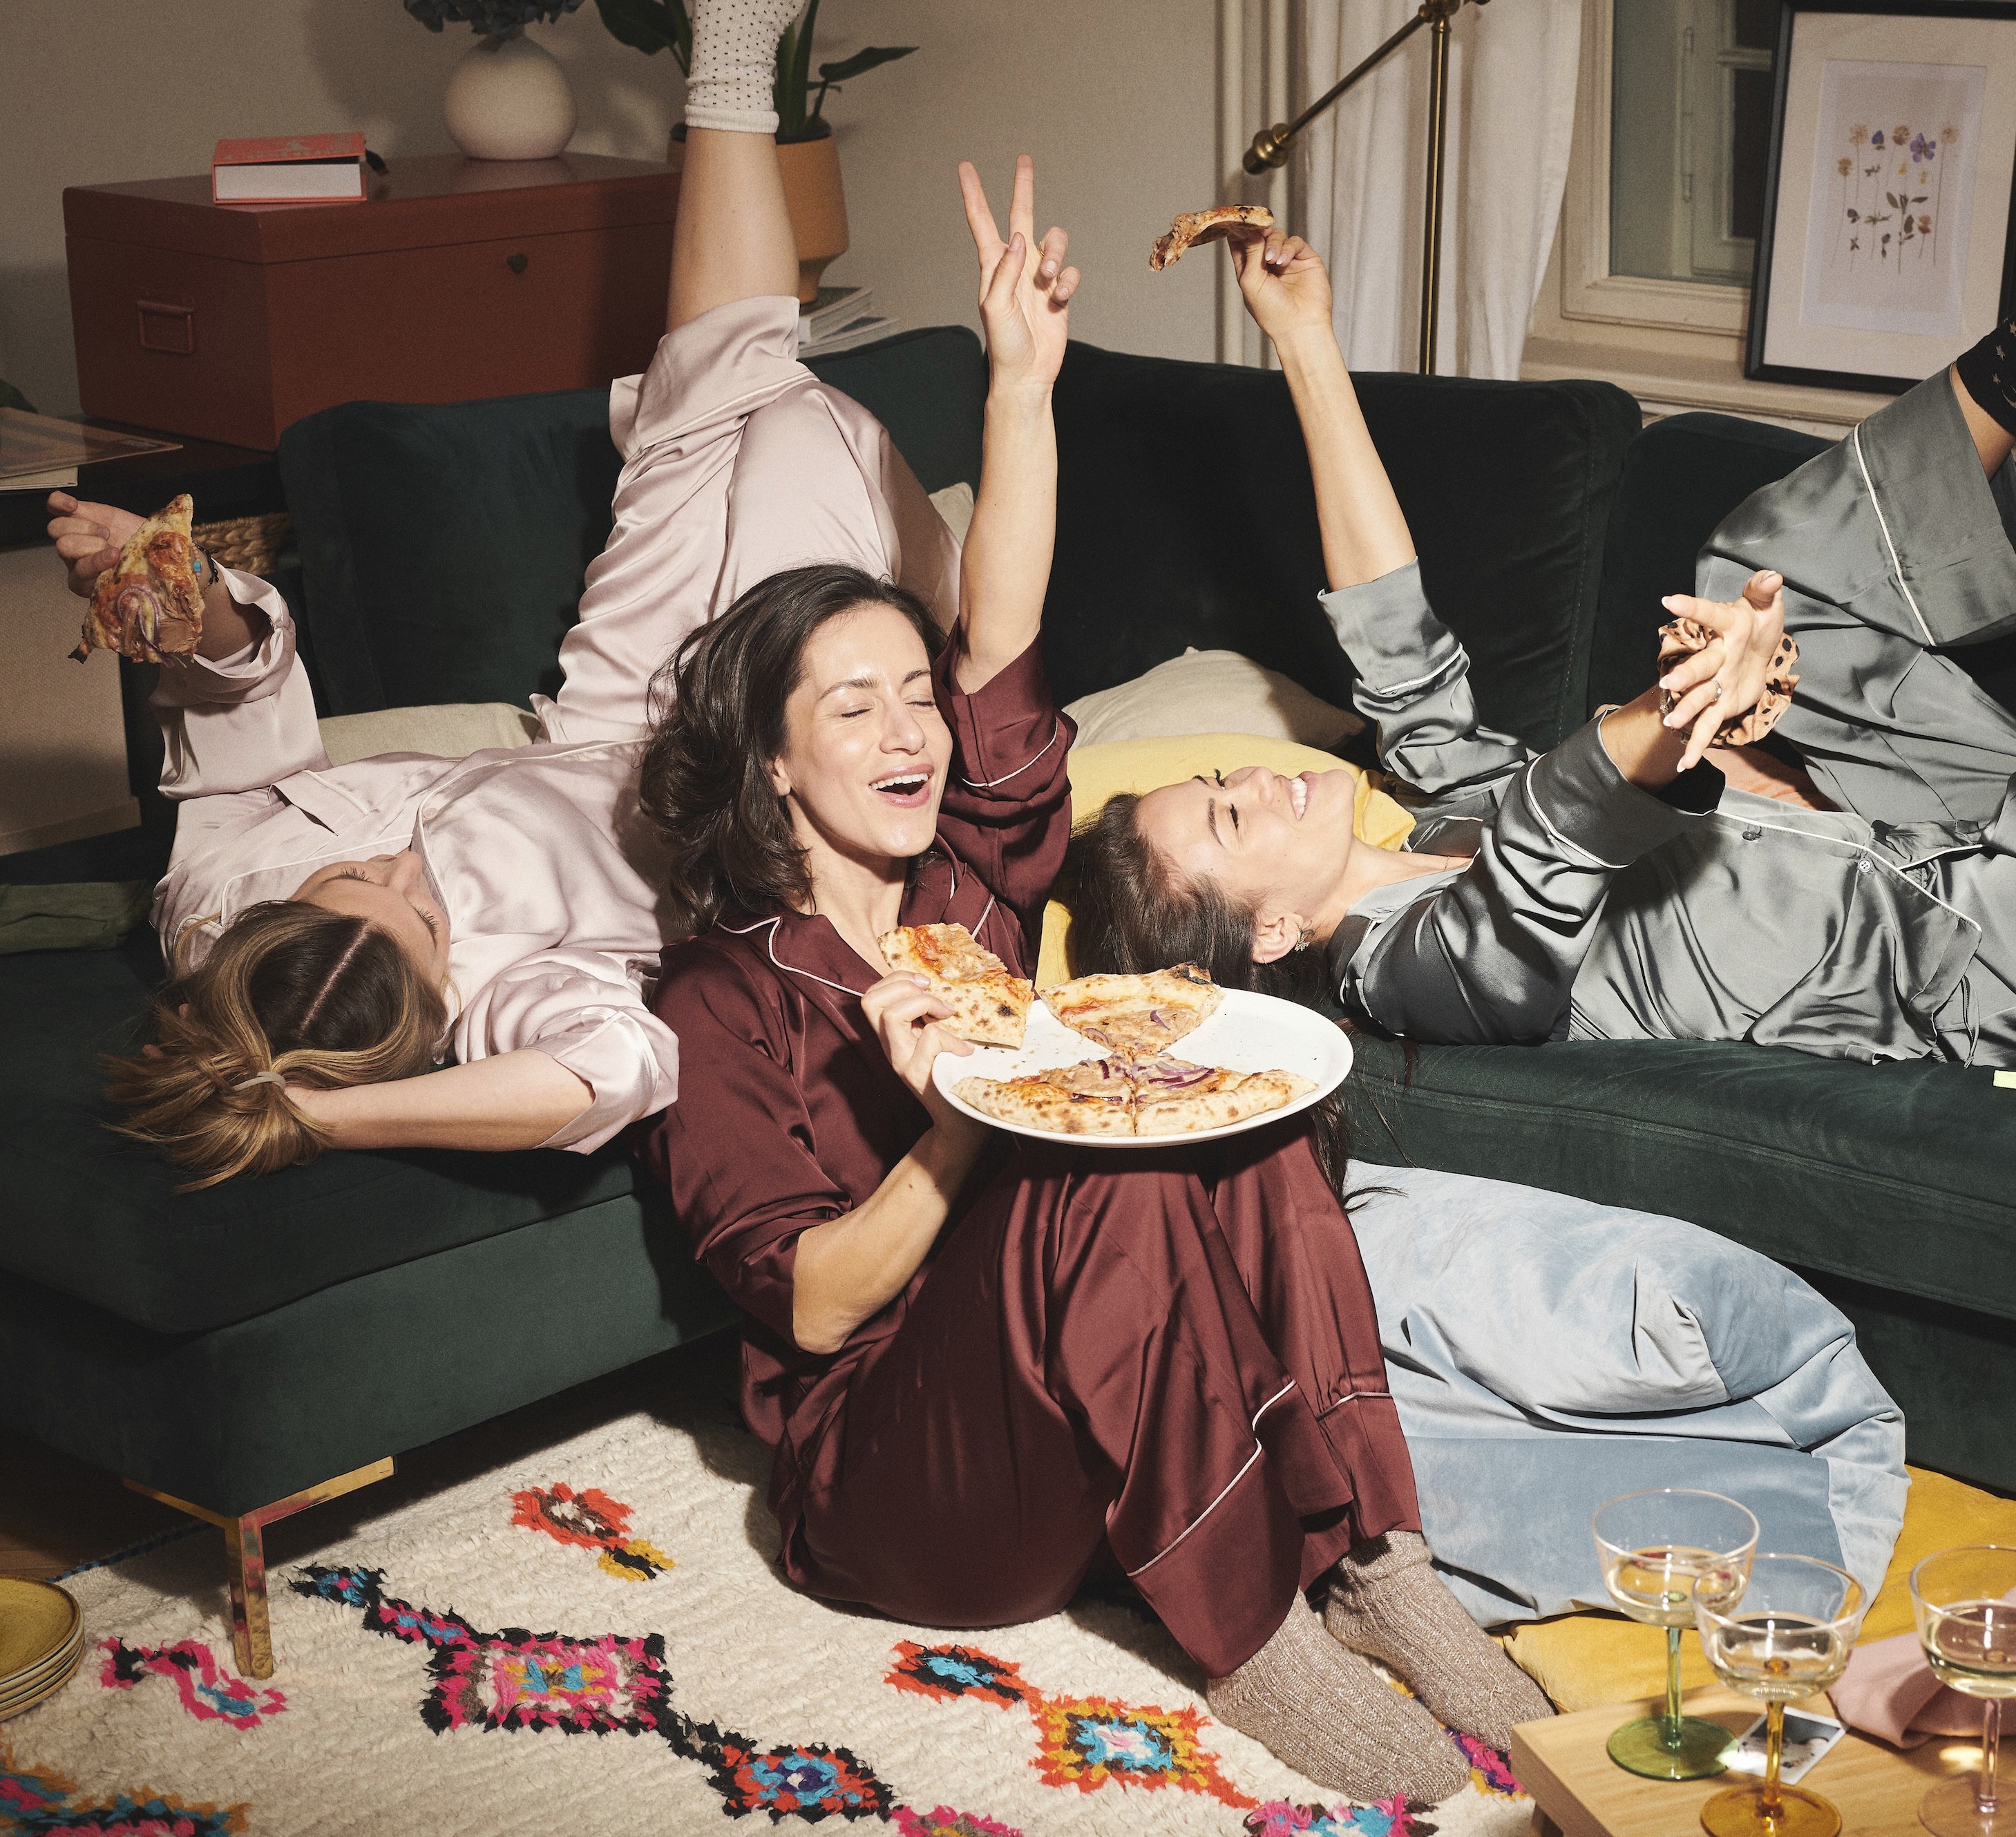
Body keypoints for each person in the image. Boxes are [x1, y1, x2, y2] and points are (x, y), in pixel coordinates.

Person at [634, 34, 1907, 1800]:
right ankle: (1247, 1641)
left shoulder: (963, 885)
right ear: (771, 771)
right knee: (1089, 1158)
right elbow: (822, 1315)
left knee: (1242, 1094)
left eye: (907, 696)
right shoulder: (718, 997)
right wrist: (953, 1128)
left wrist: (1022, 381)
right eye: (848, 710)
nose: (910, 728)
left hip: (1050, 1420)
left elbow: (996, 635)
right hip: (893, 1494)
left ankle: (1371, 1559)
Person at [44, 0, 955, 1188]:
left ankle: (732, 45)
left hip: (600, 710)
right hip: (727, 776)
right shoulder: (506, 1003)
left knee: (707, 416)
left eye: (350, 877)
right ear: (435, 1008)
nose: (399, 872)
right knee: (787, 429)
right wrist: (324, 1118)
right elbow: (619, 1070)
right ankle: (951, 627)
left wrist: (182, 598)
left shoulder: (217, 904)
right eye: (419, 922)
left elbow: (235, 690)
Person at [1067, 227, 2016, 1069]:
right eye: (1231, 818)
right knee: (1721, 623)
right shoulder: (1406, 982)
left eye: (1225, 777)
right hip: (1971, 967)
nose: (1258, 782)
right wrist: (1685, 699)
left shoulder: (1440, 822)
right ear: (1268, 931)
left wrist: (1303, 341)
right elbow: (1546, 847)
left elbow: (1388, 629)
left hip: (1951, 808)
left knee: (1746, 570)